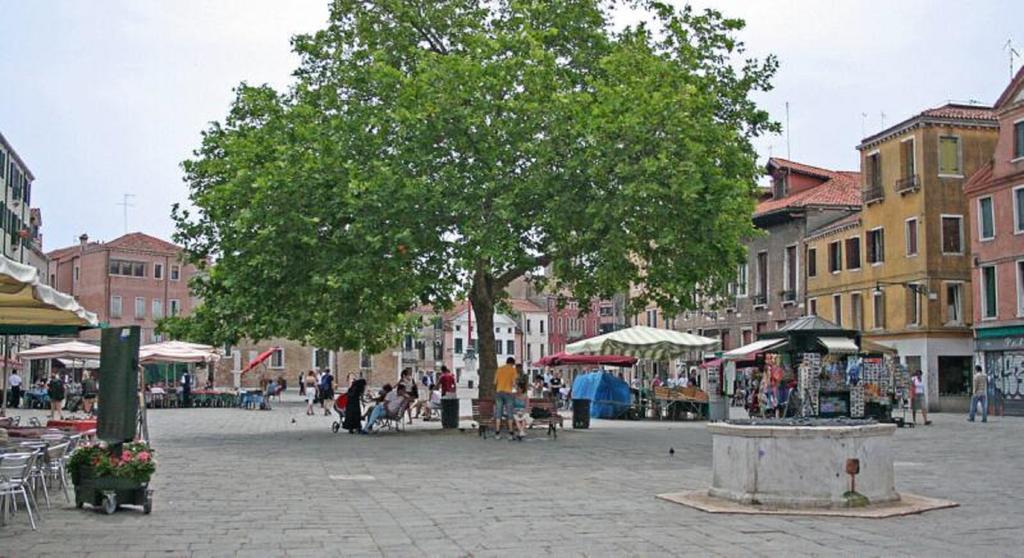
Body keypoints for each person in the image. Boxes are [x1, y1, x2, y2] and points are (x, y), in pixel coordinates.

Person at [494, 357, 518, 440]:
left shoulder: (499, 369)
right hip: (508, 392)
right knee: (509, 413)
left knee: (498, 413)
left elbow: (495, 382)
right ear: (512, 363)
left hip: (499, 392)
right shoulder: (513, 370)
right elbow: (514, 383)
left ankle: (497, 433)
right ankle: (511, 433)